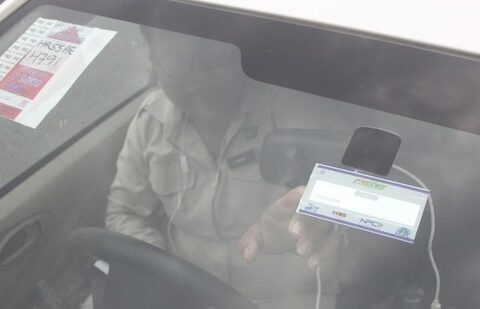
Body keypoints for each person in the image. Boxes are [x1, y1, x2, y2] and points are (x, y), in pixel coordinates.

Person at [106, 30, 341, 309]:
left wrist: (323, 232)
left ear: (243, 53)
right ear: (152, 62)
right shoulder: (149, 121)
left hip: (286, 300)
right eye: (174, 59)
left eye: (215, 56)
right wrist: (159, 270)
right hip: (181, 294)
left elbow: (368, 215)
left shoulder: (303, 114)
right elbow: (124, 213)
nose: (197, 77)